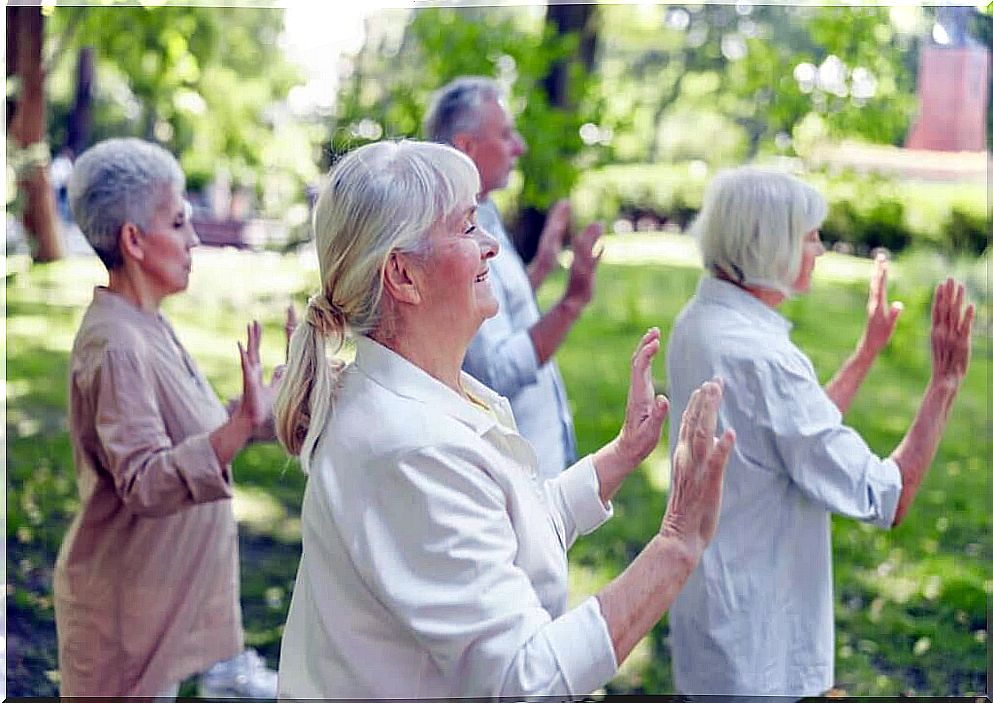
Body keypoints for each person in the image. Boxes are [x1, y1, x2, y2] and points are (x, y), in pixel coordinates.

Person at [274, 139, 736, 697]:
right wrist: (676, 545)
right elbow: (524, 680)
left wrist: (620, 455)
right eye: (468, 228)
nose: (492, 245)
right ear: (403, 275)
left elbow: (505, 529)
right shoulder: (413, 449)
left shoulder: (425, 395)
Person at [664, 167, 975, 698]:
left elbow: (788, 441)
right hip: (760, 652)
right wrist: (944, 385)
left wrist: (866, 352)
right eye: (811, 237)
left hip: (714, 624)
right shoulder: (763, 358)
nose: (820, 250)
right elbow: (884, 495)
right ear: (769, 245)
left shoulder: (701, 322)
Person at [53, 137, 283, 697]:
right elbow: (146, 482)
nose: (194, 239)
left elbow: (193, 437)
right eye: (179, 223)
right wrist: (237, 427)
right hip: (122, 625)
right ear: (133, 239)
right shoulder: (117, 344)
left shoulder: (145, 322)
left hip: (165, 606)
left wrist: (264, 412)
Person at [423, 76, 602, 479]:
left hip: (536, 464)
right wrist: (573, 302)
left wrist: (539, 268)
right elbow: (495, 372)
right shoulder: (449, 234)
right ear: (467, 147)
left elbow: (495, 310)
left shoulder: (482, 213)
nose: (519, 146)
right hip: (515, 476)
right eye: (505, 135)